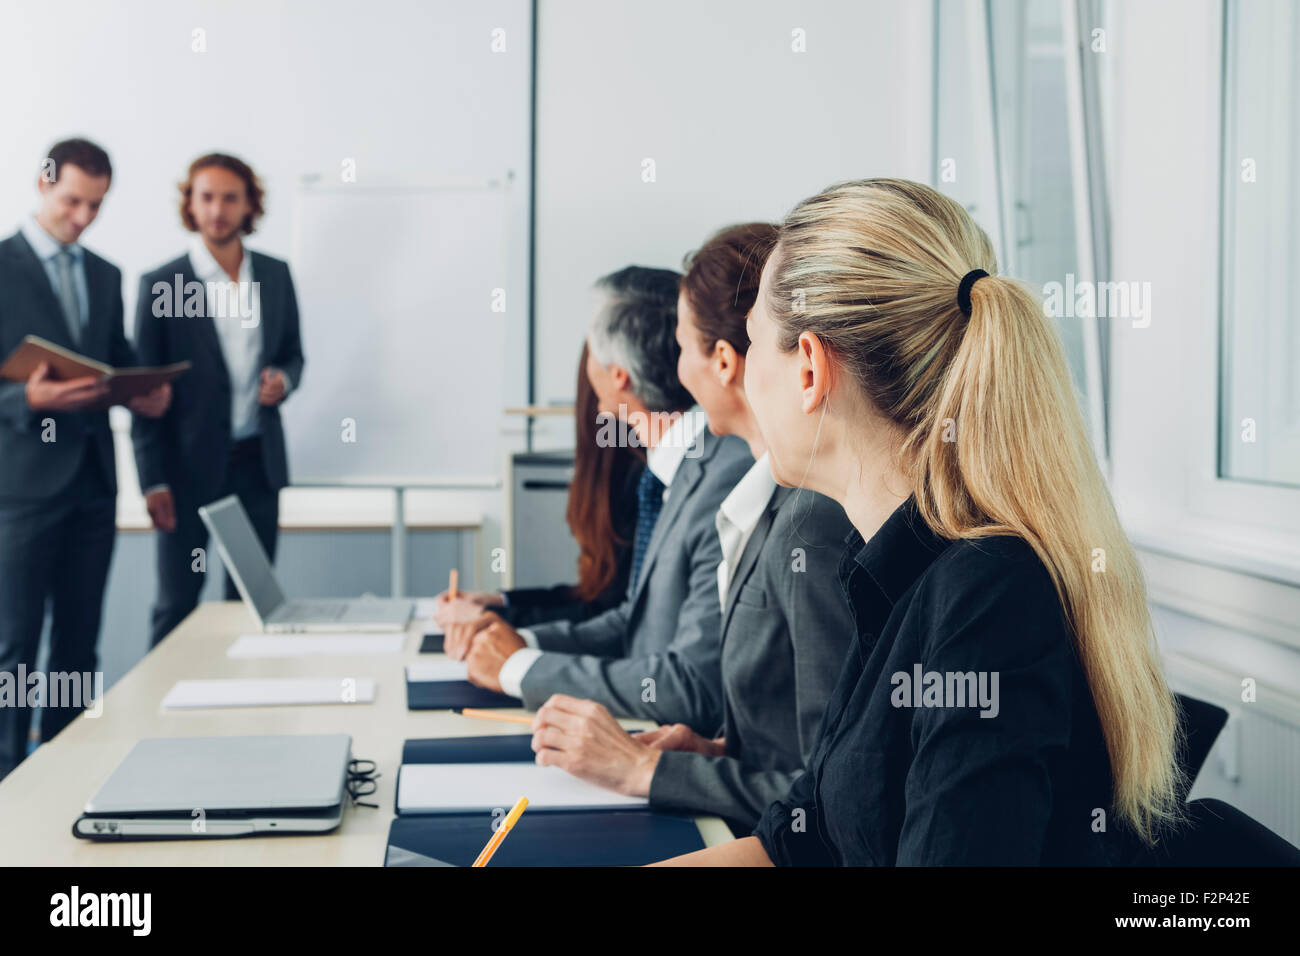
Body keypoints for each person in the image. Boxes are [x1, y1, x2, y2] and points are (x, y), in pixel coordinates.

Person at [656, 178, 1182, 866]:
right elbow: (799, 840)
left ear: (809, 369)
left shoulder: (988, 597)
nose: (744, 375)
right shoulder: (893, 573)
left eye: (754, 343)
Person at [525, 223, 857, 830]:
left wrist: (646, 771)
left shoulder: (813, 525)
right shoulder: (768, 500)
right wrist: (718, 751)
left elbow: (836, 802)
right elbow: (786, 741)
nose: (676, 373)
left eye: (683, 347)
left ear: (727, 361)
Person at [445, 266, 753, 732]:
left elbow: (693, 684)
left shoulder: (721, 475)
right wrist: (516, 642)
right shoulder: (680, 467)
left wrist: (518, 666)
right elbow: (635, 620)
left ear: (616, 376)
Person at [0, 138, 170, 778]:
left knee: (77, 649)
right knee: (13, 649)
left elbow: (113, 357)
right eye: (73, 201)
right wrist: (28, 397)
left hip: (94, 487)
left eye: (95, 206)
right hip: (20, 489)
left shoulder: (104, 273)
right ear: (43, 182)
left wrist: (141, 392)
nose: (82, 218)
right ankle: (7, 781)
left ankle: (65, 779)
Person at [132, 153, 305, 646]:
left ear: (249, 204)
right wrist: (152, 481)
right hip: (186, 473)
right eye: (206, 197)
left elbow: (293, 355)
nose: (218, 209)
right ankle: (160, 712)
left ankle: (241, 713)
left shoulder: (273, 275)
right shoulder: (162, 284)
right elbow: (143, 393)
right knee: (177, 603)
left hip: (256, 467)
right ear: (190, 203)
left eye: (231, 197)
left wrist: (285, 381)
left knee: (252, 605)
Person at [433, 343, 644, 630]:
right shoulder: (618, 472)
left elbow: (607, 617)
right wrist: (497, 602)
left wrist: (491, 620)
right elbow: (593, 596)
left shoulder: (643, 482)